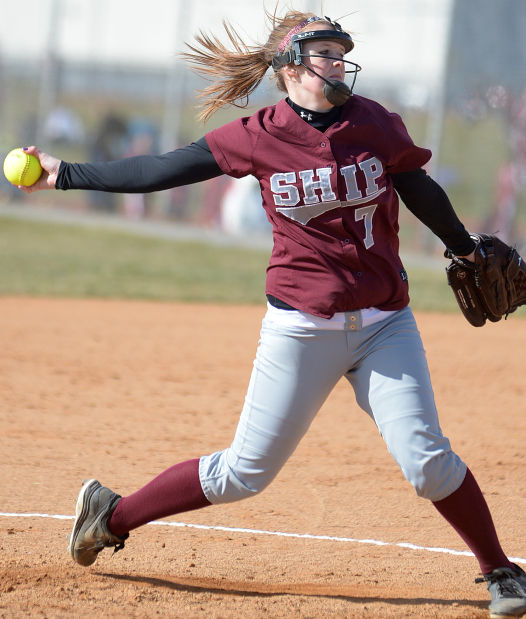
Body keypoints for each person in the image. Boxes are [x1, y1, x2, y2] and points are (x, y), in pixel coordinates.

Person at [16, 10, 526, 617]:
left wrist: (463, 245)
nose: (338, 63)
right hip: (302, 327)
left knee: (425, 457)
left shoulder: (375, 123)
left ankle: (500, 569)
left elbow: (415, 184)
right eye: (324, 53)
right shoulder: (256, 134)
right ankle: (111, 513)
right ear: (289, 67)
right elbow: (160, 170)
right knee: (243, 474)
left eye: (342, 53)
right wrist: (64, 173)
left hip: (386, 323)